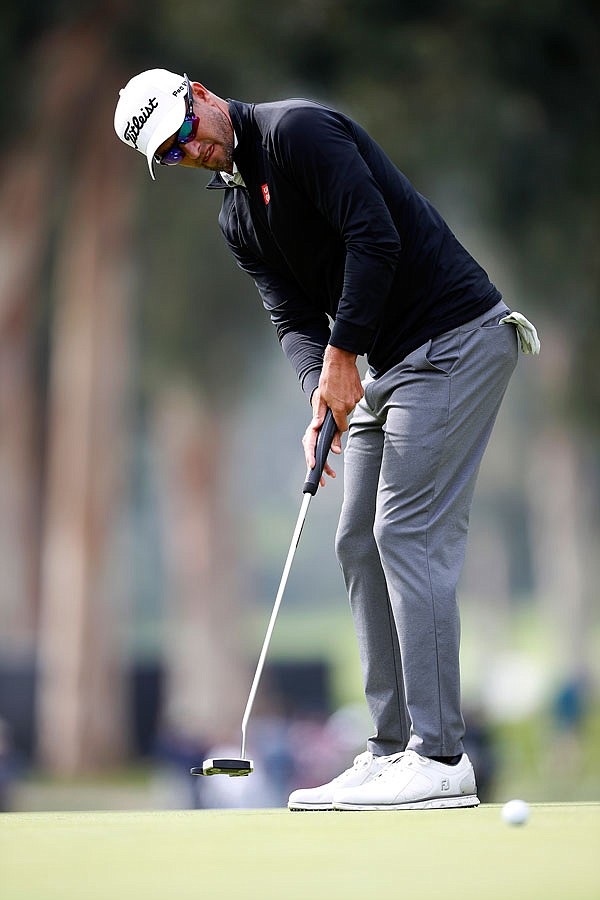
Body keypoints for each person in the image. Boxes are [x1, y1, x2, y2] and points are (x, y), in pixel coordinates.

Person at [114, 69, 539, 811]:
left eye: (185, 133)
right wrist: (321, 388)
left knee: (406, 531)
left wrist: (344, 358)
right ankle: (388, 749)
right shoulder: (238, 220)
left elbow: (373, 237)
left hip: (456, 341)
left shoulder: (297, 132)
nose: (190, 153)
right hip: (391, 363)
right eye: (171, 155)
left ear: (202, 94)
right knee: (356, 539)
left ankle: (441, 757)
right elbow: (291, 320)